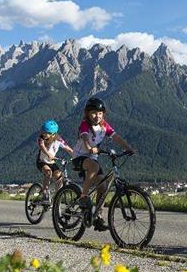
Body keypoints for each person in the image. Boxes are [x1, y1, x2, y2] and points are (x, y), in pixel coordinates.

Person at [72, 97, 135, 230]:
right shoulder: (85, 124)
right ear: (87, 113)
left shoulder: (103, 126)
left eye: (100, 113)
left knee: (103, 186)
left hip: (92, 159)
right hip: (79, 157)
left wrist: (128, 147)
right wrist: (89, 147)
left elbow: (116, 137)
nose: (97, 116)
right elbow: (84, 137)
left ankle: (98, 217)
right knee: (94, 167)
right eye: (94, 113)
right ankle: (83, 196)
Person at [36, 119, 73, 204]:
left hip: (52, 162)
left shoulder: (58, 140)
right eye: (43, 131)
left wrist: (76, 156)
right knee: (48, 173)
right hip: (42, 161)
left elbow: (68, 149)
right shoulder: (41, 138)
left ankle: (58, 196)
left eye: (47, 133)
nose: (44, 134)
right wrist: (48, 154)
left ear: (53, 134)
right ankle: (44, 194)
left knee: (59, 177)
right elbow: (42, 147)